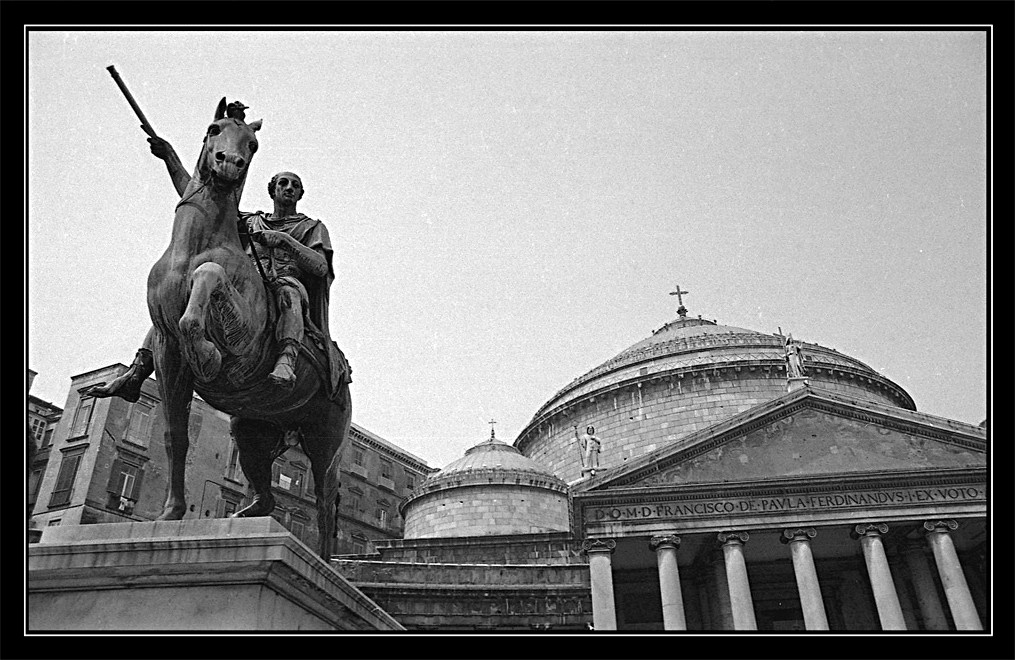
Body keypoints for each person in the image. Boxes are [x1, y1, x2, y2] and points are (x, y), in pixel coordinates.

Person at [87, 105, 344, 399]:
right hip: (246, 286)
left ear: (300, 194)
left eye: (294, 185)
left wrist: (283, 240)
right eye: (282, 183)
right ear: (271, 190)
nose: (288, 188)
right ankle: (139, 368)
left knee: (291, 295)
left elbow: (320, 267)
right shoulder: (250, 220)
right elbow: (194, 192)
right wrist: (169, 157)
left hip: (284, 281)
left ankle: (285, 359)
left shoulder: (312, 226)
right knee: (178, 297)